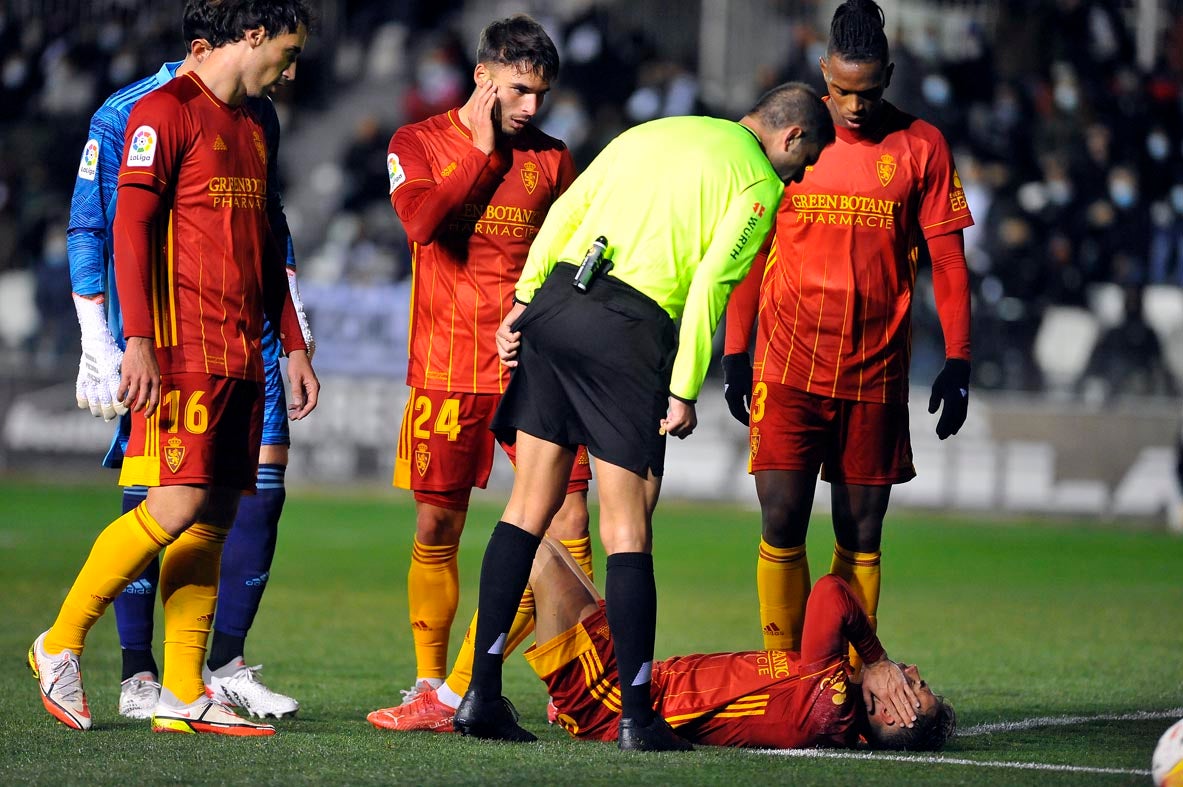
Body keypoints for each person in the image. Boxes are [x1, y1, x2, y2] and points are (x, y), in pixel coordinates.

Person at [453, 82, 835, 751]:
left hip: (556, 304)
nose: (799, 177)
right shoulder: (757, 184)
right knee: (626, 525)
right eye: (803, 162)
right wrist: (684, 386)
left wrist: (523, 297)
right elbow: (714, 281)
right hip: (626, 331)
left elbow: (568, 208)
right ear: (791, 136)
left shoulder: (656, 128)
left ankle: (481, 696)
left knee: (525, 507)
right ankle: (635, 715)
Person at [29, 0, 317, 736]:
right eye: (286, 53)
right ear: (250, 37)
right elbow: (126, 224)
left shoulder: (256, 123)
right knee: (176, 504)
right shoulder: (161, 112)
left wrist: (291, 342)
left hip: (243, 350)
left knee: (216, 514)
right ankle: (60, 641)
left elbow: (265, 238)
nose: (289, 71)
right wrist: (134, 341)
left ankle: (185, 691)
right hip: (182, 347)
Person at [722, 0, 973, 669]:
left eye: (866, 92)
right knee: (780, 519)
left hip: (874, 371)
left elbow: (946, 260)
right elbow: (750, 248)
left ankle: (853, 674)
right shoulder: (791, 138)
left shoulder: (921, 145)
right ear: (821, 72)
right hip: (787, 362)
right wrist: (735, 350)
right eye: (839, 91)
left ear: (886, 75)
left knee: (860, 532)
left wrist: (958, 359)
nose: (853, 106)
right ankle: (786, 672)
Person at [370, 14, 595, 720]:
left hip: (532, 365)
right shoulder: (415, 143)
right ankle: (434, 684)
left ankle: (577, 677)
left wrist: (540, 314)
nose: (533, 107)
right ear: (483, 76)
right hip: (443, 367)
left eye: (541, 95)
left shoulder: (555, 159)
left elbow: (578, 259)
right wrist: (479, 149)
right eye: (521, 90)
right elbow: (420, 225)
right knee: (438, 526)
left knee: (567, 511)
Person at [525, 537, 955, 751]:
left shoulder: (834, 706)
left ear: (893, 715)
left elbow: (829, 592)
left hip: (615, 702)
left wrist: (877, 658)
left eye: (916, 687)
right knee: (547, 540)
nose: (911, 671)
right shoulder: (835, 694)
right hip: (634, 683)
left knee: (529, 544)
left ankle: (464, 691)